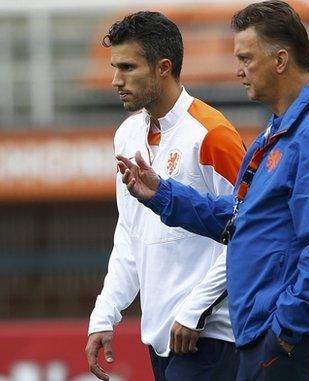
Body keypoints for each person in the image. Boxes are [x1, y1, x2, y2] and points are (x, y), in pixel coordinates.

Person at [116, 2, 309, 380]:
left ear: (280, 60)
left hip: (288, 340)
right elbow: (240, 220)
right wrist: (164, 195)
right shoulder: (278, 132)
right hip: (263, 332)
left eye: (246, 58)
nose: (238, 70)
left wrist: (288, 329)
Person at [84, 11, 246, 381]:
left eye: (127, 67)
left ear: (163, 67)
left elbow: (248, 231)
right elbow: (130, 231)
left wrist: (196, 310)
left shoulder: (212, 135)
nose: (115, 80)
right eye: (113, 67)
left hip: (211, 333)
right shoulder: (126, 135)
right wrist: (105, 313)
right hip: (162, 335)